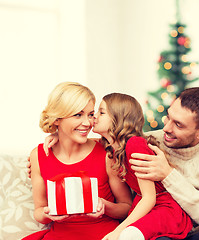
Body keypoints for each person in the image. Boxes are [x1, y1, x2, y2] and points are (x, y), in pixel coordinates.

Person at [23, 82, 132, 240]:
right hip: (60, 235)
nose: (88, 123)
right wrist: (49, 214)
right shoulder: (38, 155)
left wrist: (104, 205)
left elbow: (126, 207)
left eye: (90, 114)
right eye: (78, 115)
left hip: (104, 235)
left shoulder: (106, 153)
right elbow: (39, 211)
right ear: (57, 119)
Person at [128, 86, 199, 240]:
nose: (166, 128)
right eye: (168, 117)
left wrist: (168, 175)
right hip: (158, 230)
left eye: (178, 125)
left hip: (196, 234)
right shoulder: (149, 141)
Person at [91, 93, 193, 240]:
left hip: (163, 209)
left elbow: (149, 198)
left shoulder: (135, 145)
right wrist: (56, 136)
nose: (95, 116)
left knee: (127, 235)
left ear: (118, 117)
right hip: (147, 207)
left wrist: (118, 231)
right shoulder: (113, 148)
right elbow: (79, 141)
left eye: (101, 112)